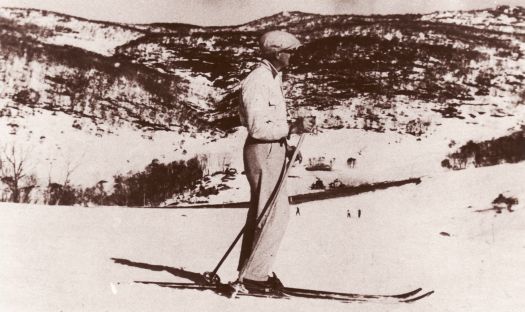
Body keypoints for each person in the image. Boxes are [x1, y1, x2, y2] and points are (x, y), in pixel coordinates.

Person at [237, 30, 315, 292]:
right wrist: (292, 127)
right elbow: (258, 128)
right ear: (276, 52)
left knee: (265, 214)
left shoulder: (272, 77)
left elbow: (270, 124)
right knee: (274, 215)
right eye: (290, 51)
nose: (293, 56)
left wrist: (287, 144)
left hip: (272, 149)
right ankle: (254, 277)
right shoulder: (258, 80)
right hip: (263, 150)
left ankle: (251, 272)